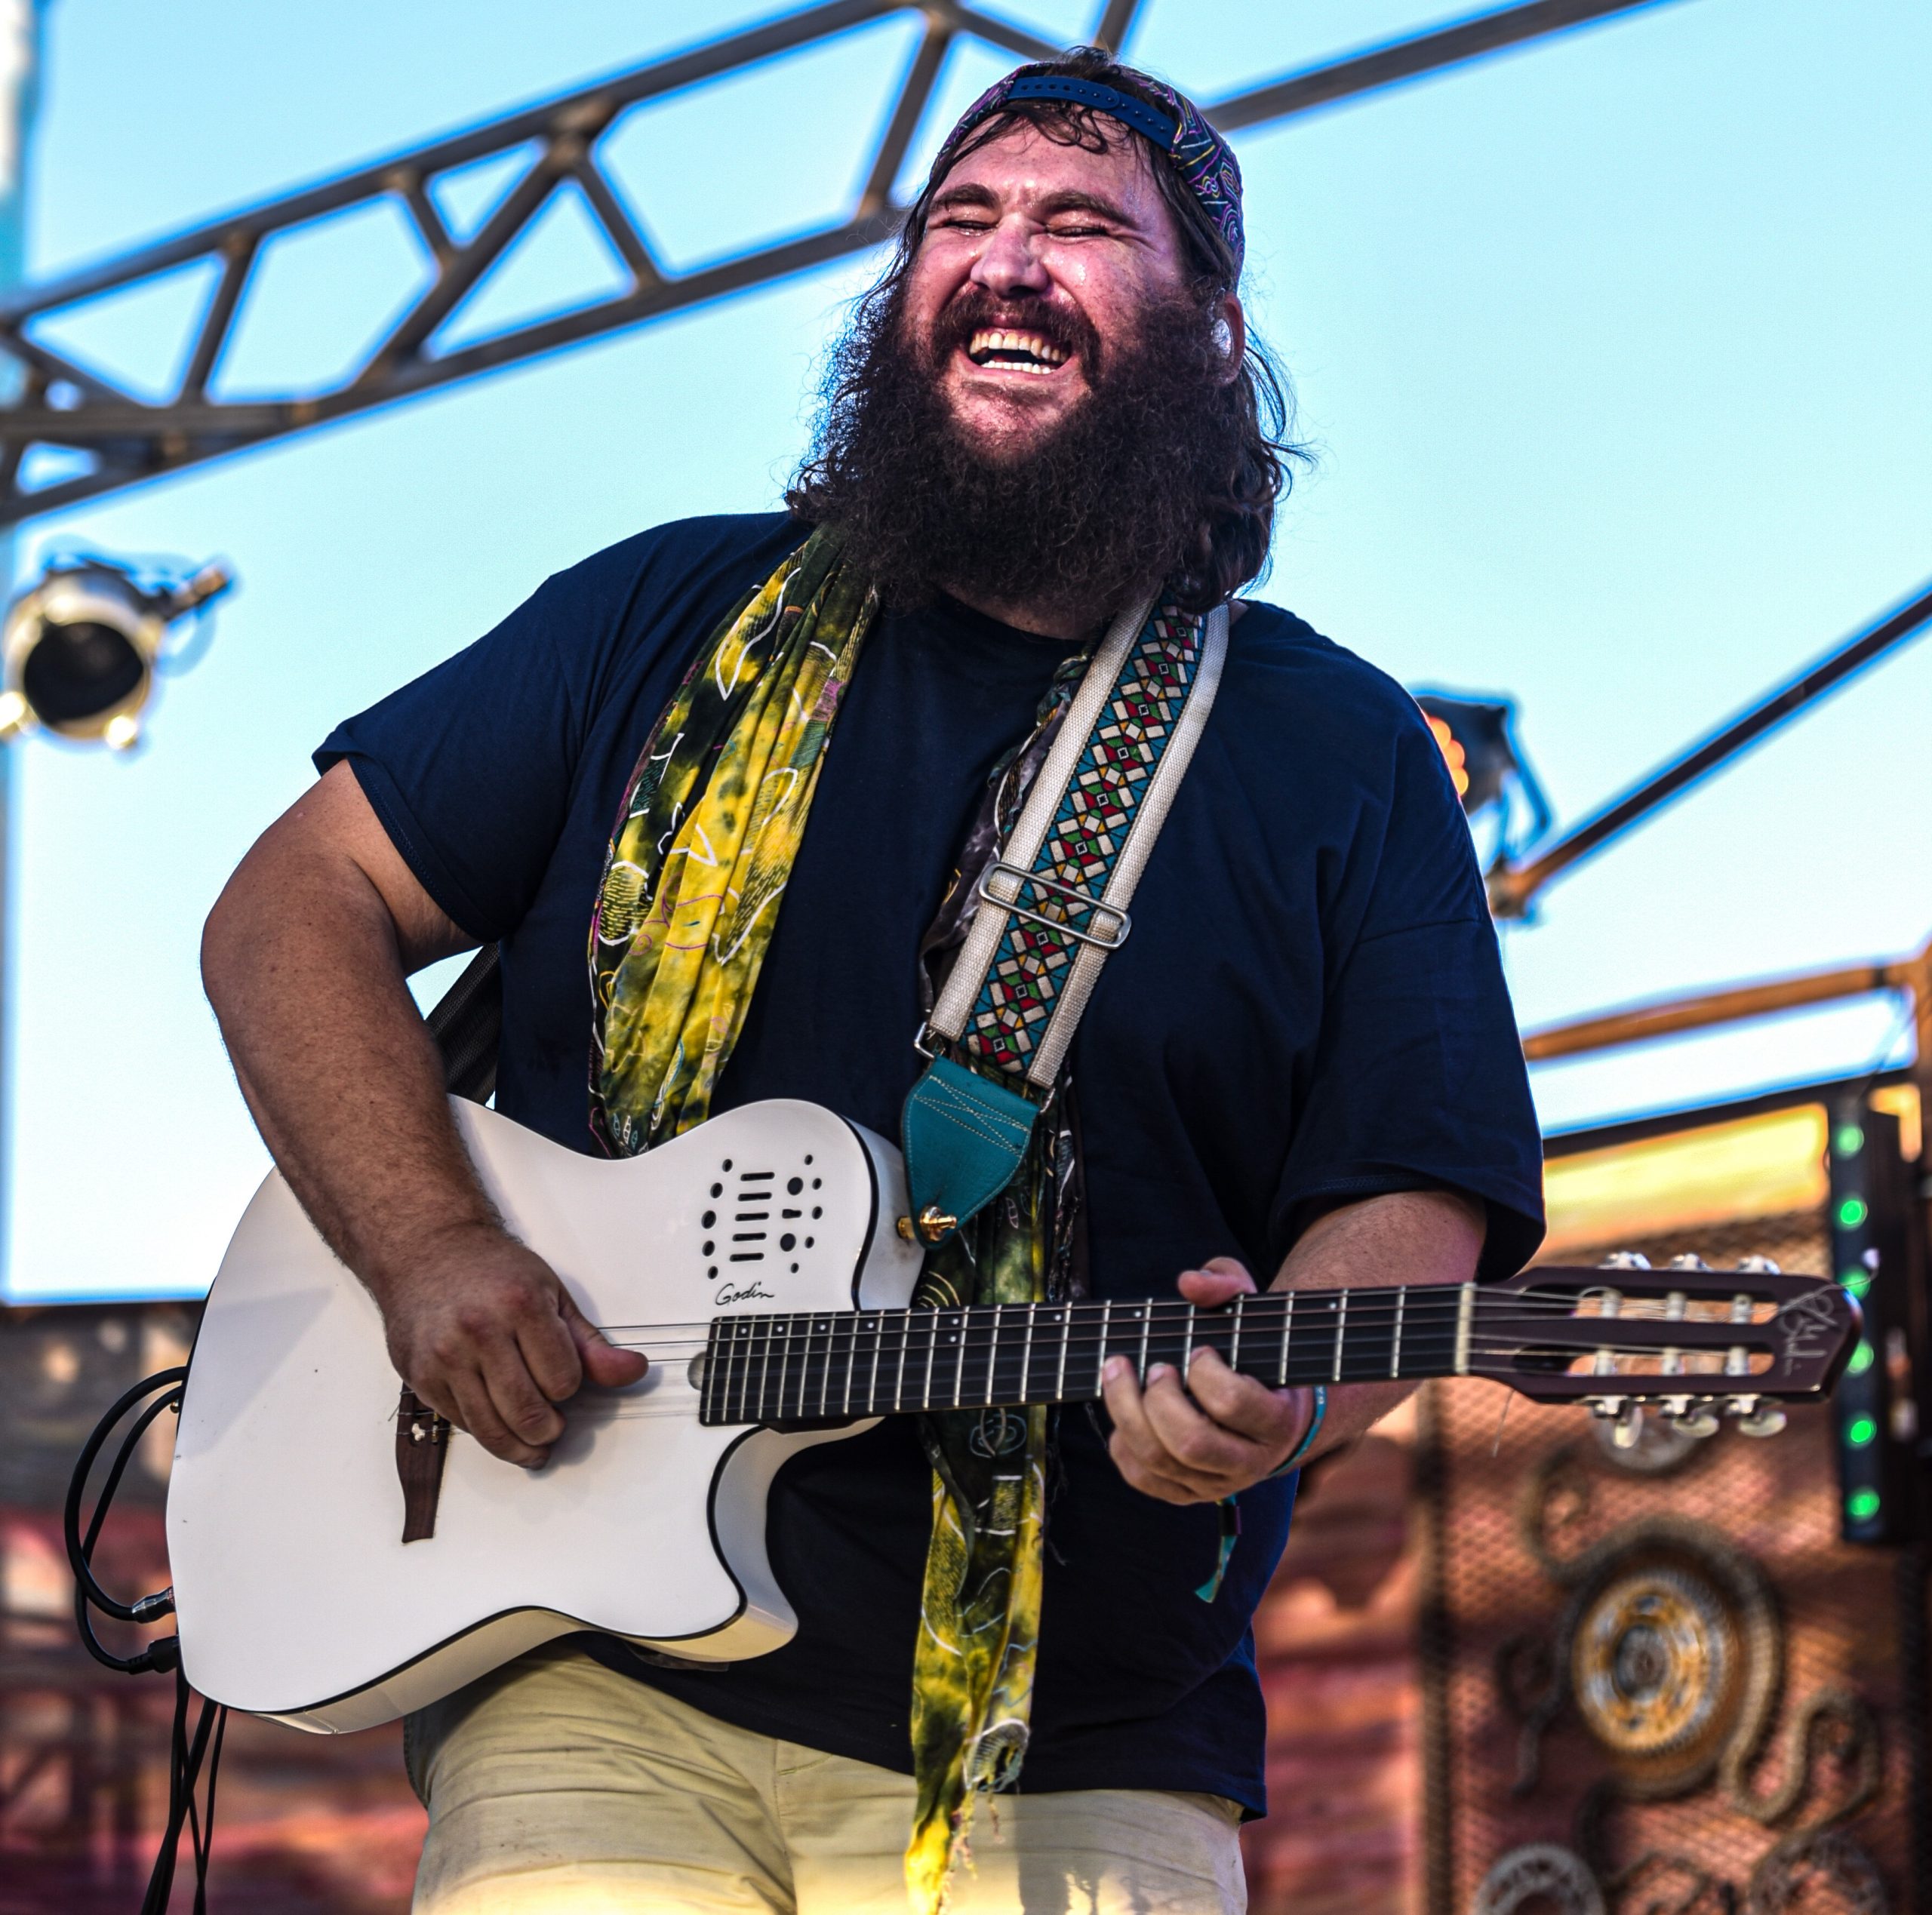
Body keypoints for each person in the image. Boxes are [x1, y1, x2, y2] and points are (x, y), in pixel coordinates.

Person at [202, 47, 1543, 1915]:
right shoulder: (664, 615)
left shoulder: (1336, 749)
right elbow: (294, 903)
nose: (1006, 260)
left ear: (1212, 337)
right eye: (958, 220)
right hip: (594, 1684)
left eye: (1082, 228)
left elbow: (1415, 1188)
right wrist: (427, 1247)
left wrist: (1280, 1403)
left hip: (1076, 1746)